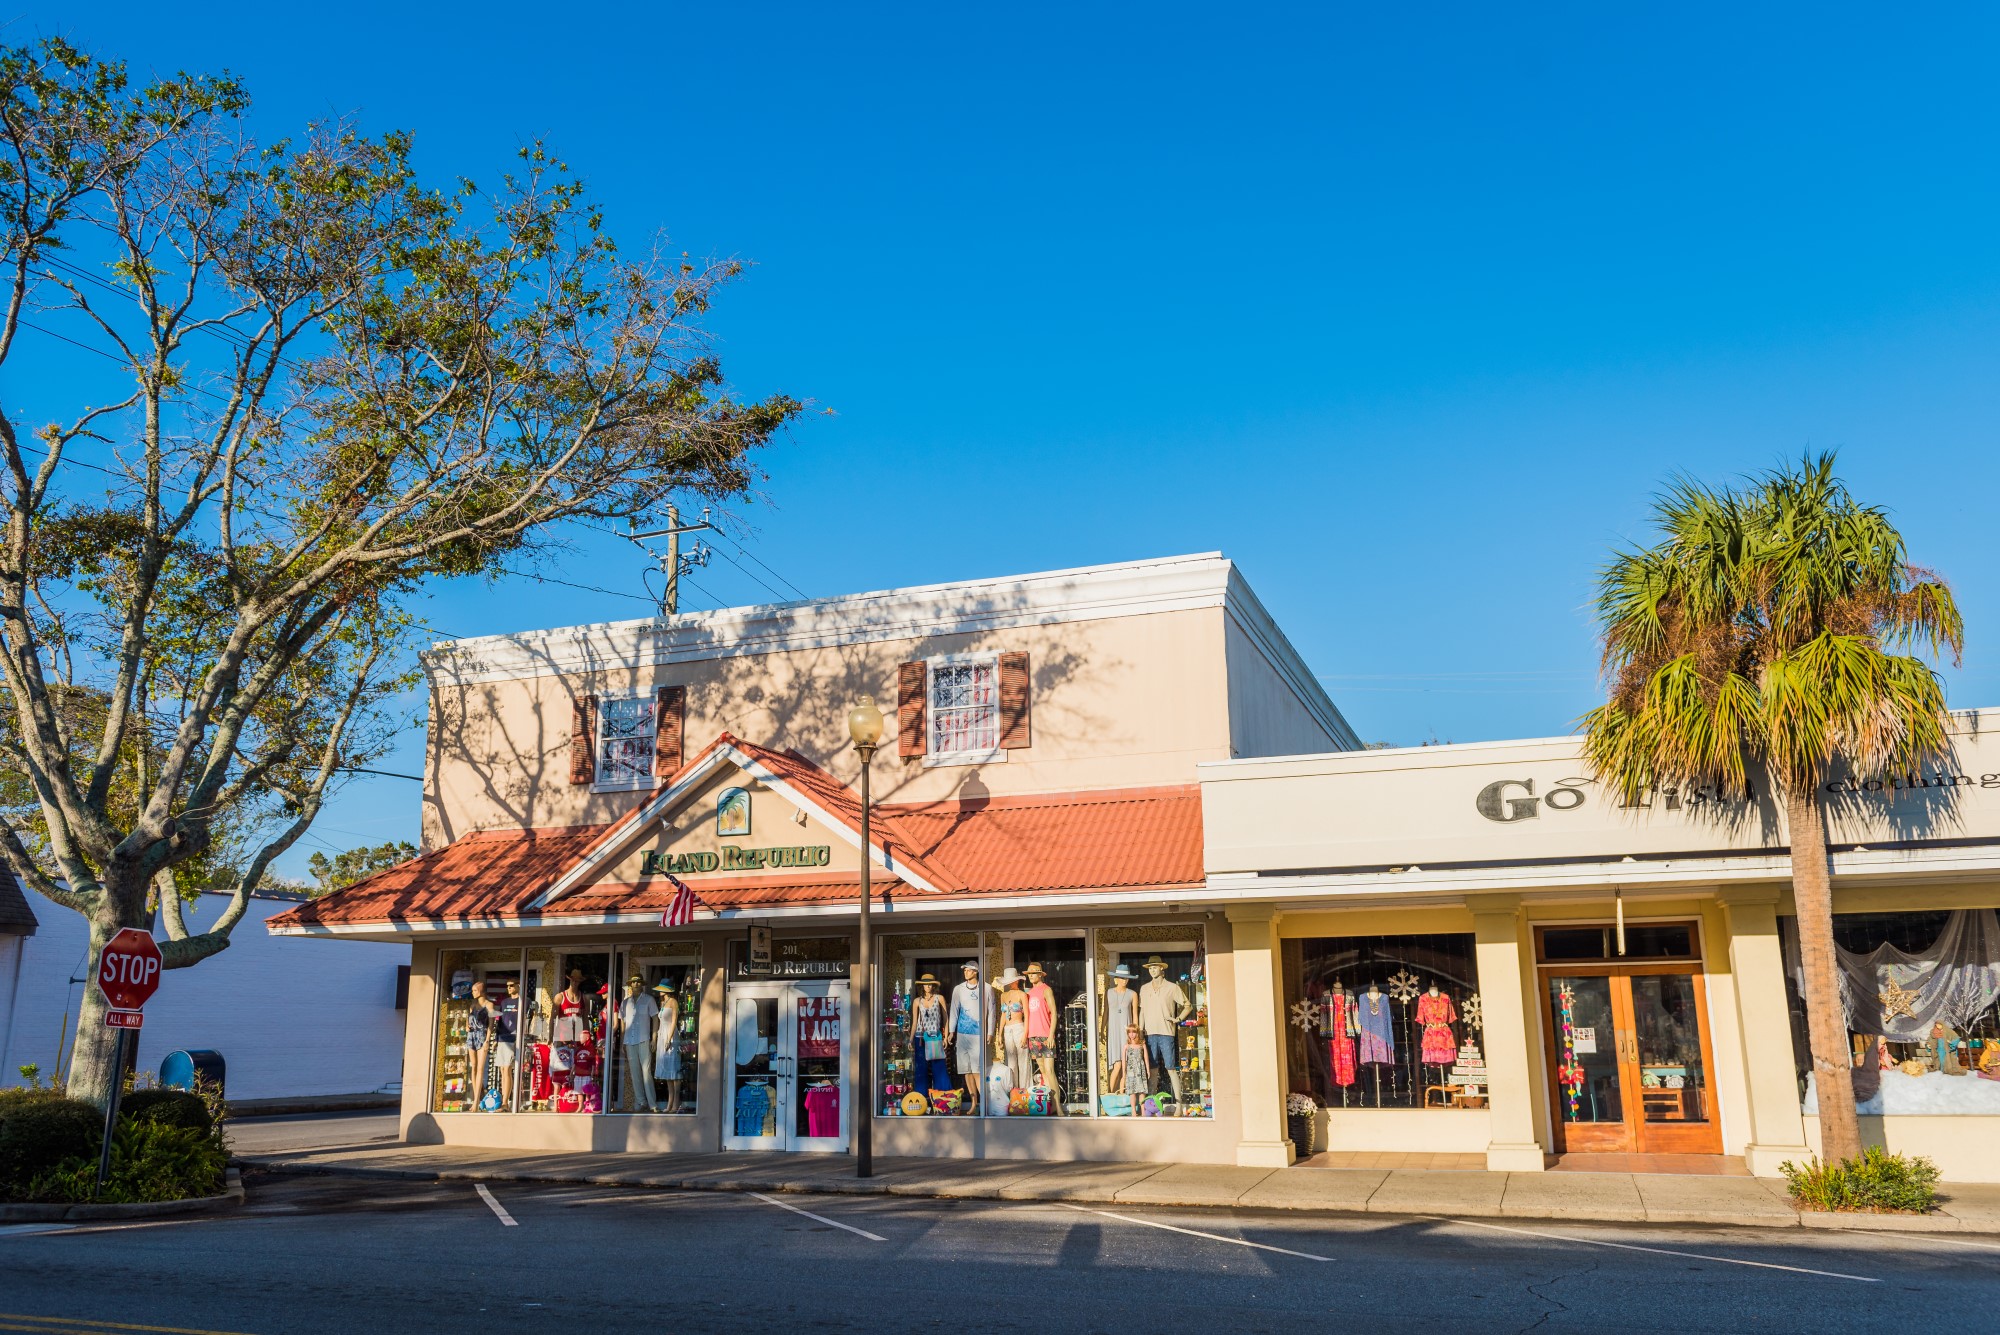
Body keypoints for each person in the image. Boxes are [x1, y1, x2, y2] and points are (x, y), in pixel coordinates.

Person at [1138, 956, 1191, 1101]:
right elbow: (1142, 1012)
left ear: (1162, 968)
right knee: (1152, 1071)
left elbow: (1188, 1006)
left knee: (1171, 1069)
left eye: (1155, 967)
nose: (1152, 970)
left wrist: (1178, 1019)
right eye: (1150, 968)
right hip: (1149, 1034)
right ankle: (1152, 1106)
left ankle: (1179, 1104)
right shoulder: (1144, 988)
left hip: (1166, 1033)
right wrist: (1140, 1031)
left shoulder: (1172, 987)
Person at [945, 961, 992, 1112]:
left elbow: (991, 1011)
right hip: (962, 1034)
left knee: (977, 1070)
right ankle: (973, 1103)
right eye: (964, 970)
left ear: (976, 971)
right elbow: (954, 1010)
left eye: (968, 970)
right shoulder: (958, 989)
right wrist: (951, 1031)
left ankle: (984, 1104)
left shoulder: (986, 988)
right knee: (967, 1071)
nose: (965, 972)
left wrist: (990, 1032)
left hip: (978, 1034)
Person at [617, 975, 659, 1111]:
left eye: (638, 982)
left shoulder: (649, 1000)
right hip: (629, 1040)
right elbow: (623, 1023)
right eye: (633, 982)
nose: (635, 984)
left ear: (642, 984)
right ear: (630, 985)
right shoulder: (625, 1003)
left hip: (644, 1039)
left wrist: (654, 1038)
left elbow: (655, 1019)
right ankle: (641, 1102)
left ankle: (652, 1104)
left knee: (646, 1072)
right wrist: (622, 1041)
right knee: (635, 1073)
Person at [907, 973, 950, 1100]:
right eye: (925, 984)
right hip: (920, 1037)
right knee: (921, 1069)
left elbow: (945, 1019)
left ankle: (943, 1098)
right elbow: (914, 1022)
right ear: (922, 986)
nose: (928, 986)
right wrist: (910, 1039)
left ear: (933, 985)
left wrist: (945, 1036)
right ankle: (921, 1099)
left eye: (930, 984)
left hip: (935, 1037)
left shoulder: (939, 998)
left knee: (939, 1067)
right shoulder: (917, 1001)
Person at [1023, 962, 1060, 1103]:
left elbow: (1054, 1012)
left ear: (1040, 974)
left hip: (1046, 1035)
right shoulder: (1029, 993)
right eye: (1028, 973)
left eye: (1033, 973)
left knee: (1050, 1071)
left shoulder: (1046, 990)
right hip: (1033, 1036)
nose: (1030, 975)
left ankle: (1058, 1107)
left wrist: (1051, 1035)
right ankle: (1049, 1104)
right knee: (1043, 1071)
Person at [995, 967, 1030, 1090]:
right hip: (1008, 1030)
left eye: (1011, 980)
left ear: (1016, 980)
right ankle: (1013, 1091)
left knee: (1023, 1060)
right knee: (1011, 1062)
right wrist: (999, 1034)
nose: (1010, 983)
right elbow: (1003, 1014)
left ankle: (1024, 1090)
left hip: (1019, 1027)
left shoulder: (1022, 994)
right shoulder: (1004, 995)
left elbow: (1027, 1015)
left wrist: (1025, 1034)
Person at [653, 980, 684, 1113]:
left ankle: (675, 1104)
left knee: (674, 1071)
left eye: (662, 988)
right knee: (667, 1073)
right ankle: (669, 1104)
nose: (660, 991)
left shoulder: (673, 1002)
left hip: (671, 1036)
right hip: (662, 1035)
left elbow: (674, 1022)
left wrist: (669, 1038)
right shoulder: (663, 1003)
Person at [467, 985, 499, 1109]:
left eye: (475, 990)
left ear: (481, 991)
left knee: (480, 1068)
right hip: (471, 1035)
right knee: (473, 1067)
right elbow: (468, 1019)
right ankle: (477, 1097)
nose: (473, 992)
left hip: (482, 1035)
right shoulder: (472, 1005)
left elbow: (491, 1024)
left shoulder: (489, 1005)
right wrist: (467, 1026)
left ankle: (475, 1102)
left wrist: (487, 1040)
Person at [492, 979, 522, 1111]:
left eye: (511, 985)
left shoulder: (523, 1001)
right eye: (507, 986)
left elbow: (527, 1020)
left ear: (518, 985)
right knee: (502, 1070)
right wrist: (496, 1039)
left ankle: (505, 1102)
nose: (509, 988)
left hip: (514, 1038)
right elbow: (499, 1022)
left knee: (508, 1069)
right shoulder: (504, 1002)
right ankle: (504, 1101)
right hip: (502, 1037)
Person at [1114, 1023, 1152, 1099]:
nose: (1131, 1034)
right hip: (1131, 1070)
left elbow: (1146, 1058)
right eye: (1129, 1032)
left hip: (1141, 1069)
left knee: (1142, 1090)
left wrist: (1148, 1070)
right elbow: (1124, 1060)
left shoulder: (1142, 1045)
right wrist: (1124, 1072)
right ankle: (1133, 1110)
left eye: (1133, 1032)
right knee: (1132, 1091)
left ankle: (1142, 1109)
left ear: (1137, 1033)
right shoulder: (1126, 1046)